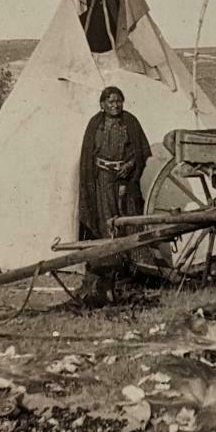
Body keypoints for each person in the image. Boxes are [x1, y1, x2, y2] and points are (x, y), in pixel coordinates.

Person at [77, 86, 151, 302]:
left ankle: (135, 268)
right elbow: (88, 156)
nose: (115, 105)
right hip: (102, 178)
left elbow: (141, 150)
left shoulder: (130, 122)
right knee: (107, 220)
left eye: (118, 101)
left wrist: (130, 165)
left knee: (129, 218)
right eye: (110, 102)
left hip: (125, 178)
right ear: (102, 104)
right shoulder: (95, 124)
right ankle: (110, 268)